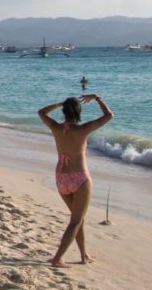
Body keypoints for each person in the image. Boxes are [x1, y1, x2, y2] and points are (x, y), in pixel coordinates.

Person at [38, 94, 114, 268]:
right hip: (79, 178)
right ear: (78, 111)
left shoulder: (56, 127)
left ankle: (83, 255)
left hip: (61, 178)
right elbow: (109, 115)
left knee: (78, 219)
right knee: (76, 221)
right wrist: (97, 99)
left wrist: (58, 104)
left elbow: (41, 112)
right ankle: (57, 258)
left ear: (64, 111)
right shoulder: (83, 129)